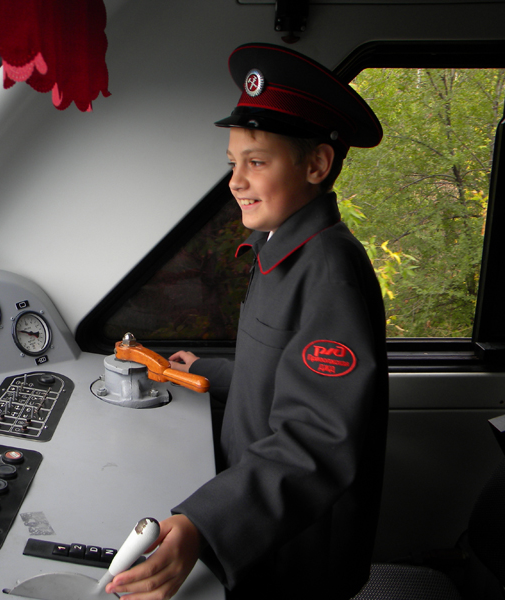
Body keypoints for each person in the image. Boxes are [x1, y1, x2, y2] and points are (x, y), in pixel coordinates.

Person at [106, 43, 389, 599]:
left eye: (256, 162)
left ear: (316, 165)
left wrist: (203, 525)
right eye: (232, 163)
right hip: (261, 520)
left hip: (297, 551)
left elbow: (318, 438)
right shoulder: (282, 251)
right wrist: (205, 369)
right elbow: (280, 374)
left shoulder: (328, 270)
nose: (236, 181)